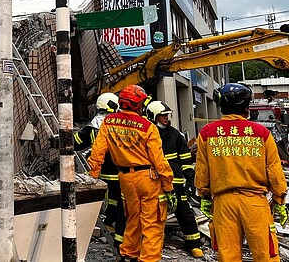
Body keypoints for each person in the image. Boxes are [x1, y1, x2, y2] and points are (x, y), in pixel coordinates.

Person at [195, 83, 288, 261]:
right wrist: (279, 200)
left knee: (228, 255)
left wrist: (204, 196)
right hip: (255, 203)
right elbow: (274, 170)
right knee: (265, 254)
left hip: (223, 204)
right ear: (246, 106)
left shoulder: (207, 133)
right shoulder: (261, 133)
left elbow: (202, 170)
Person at [87, 84, 176, 262]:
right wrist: (169, 186)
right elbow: (159, 160)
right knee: (153, 223)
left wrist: (93, 176)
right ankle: (148, 259)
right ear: (138, 105)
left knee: (132, 219)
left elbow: (97, 152)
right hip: (148, 179)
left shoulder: (108, 122)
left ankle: (128, 254)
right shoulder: (148, 127)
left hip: (126, 179)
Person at [145, 101, 204, 259]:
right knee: (152, 214)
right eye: (162, 116)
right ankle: (152, 246)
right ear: (153, 117)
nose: (166, 118)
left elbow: (185, 157)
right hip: (153, 181)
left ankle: (194, 244)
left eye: (166, 115)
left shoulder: (175, 134)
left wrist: (189, 176)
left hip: (174, 181)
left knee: (183, 211)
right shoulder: (146, 134)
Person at [74, 92, 126, 254]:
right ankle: (118, 236)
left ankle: (110, 224)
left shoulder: (94, 125)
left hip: (101, 171)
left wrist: (60, 141)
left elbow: (77, 142)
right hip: (121, 170)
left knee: (110, 200)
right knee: (120, 203)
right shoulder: (120, 123)